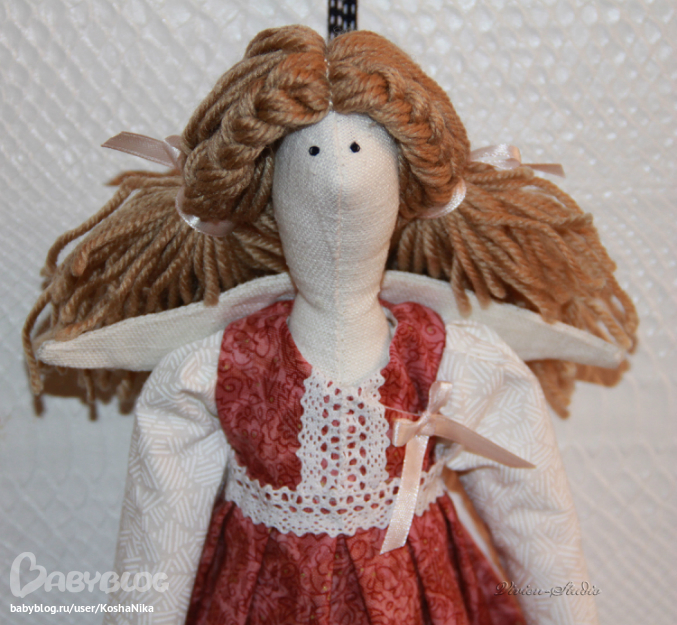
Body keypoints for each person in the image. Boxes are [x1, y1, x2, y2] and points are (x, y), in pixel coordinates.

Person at [24, 25, 636, 625]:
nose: (339, 176)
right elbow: (159, 535)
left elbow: (533, 515)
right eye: (312, 152)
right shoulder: (216, 369)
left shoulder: (452, 360)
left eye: (359, 151)